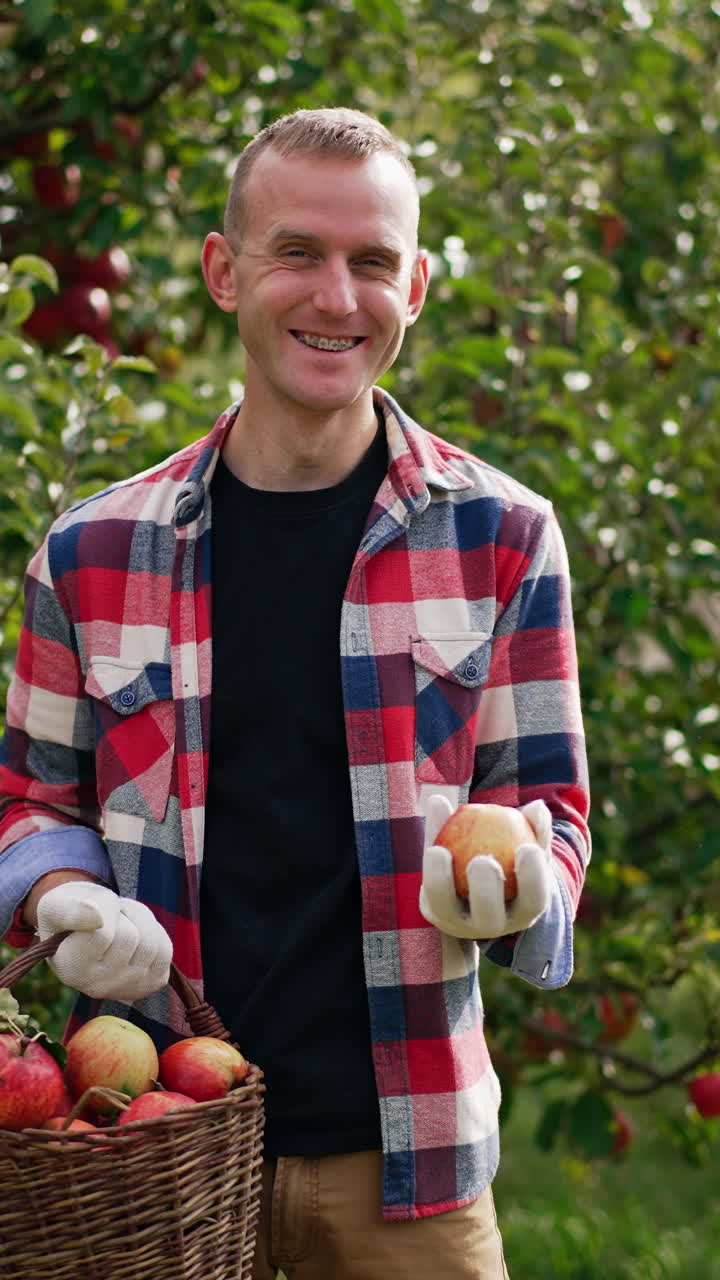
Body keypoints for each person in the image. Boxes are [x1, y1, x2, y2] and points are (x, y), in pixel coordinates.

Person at [0, 107, 590, 1279]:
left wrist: (521, 880)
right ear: (227, 271)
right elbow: (27, 798)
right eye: (297, 253)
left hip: (406, 1164)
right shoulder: (91, 549)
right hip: (141, 1146)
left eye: (372, 261)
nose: (337, 296)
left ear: (415, 285)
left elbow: (549, 810)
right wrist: (63, 893)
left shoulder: (506, 538)